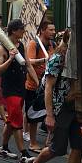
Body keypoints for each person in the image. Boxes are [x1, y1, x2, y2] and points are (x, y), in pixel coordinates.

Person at [25, 30, 82, 163]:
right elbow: (48, 88)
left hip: (77, 110)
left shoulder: (81, 59)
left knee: (79, 145)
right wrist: (49, 115)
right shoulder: (57, 59)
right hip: (60, 109)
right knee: (58, 148)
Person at [0, 20, 35, 163]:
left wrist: (36, 82)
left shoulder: (22, 46)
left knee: (12, 120)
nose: (24, 31)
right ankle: (23, 153)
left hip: (21, 87)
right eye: (22, 29)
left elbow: (28, 65)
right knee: (17, 120)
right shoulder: (2, 48)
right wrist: (10, 59)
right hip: (10, 89)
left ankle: (3, 147)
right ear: (14, 31)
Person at [24, 21, 56, 151]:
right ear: (42, 30)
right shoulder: (34, 44)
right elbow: (28, 62)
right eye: (50, 29)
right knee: (33, 116)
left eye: (54, 30)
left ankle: (49, 139)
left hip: (47, 85)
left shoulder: (52, 44)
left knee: (50, 112)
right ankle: (32, 142)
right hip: (33, 85)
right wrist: (44, 60)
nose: (53, 32)